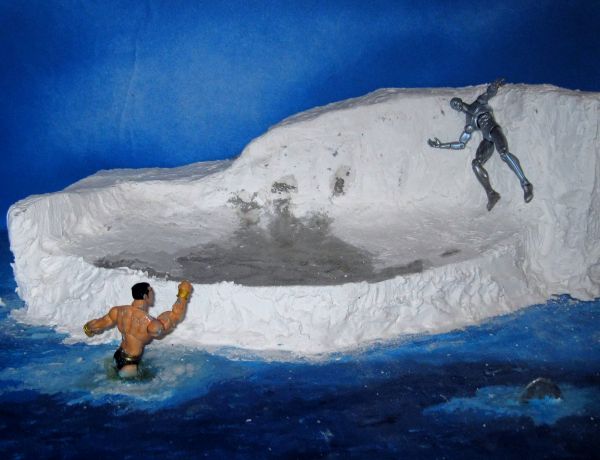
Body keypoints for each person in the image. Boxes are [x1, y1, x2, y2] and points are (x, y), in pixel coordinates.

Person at [427, 78, 533, 211]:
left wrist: (495, 85)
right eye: (454, 106)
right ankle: (491, 194)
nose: (457, 106)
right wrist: (440, 145)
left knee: (504, 153)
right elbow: (461, 143)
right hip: (487, 139)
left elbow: (489, 93)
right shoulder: (469, 123)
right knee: (476, 163)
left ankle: (526, 184)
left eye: (456, 103)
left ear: (460, 101)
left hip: (494, 130)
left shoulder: (478, 103)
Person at [83, 280, 193, 378]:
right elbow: (176, 315)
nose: (153, 294)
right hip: (130, 364)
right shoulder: (151, 324)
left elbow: (99, 323)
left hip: (118, 354)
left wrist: (88, 328)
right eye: (151, 292)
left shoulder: (118, 311)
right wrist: (183, 293)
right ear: (145, 296)